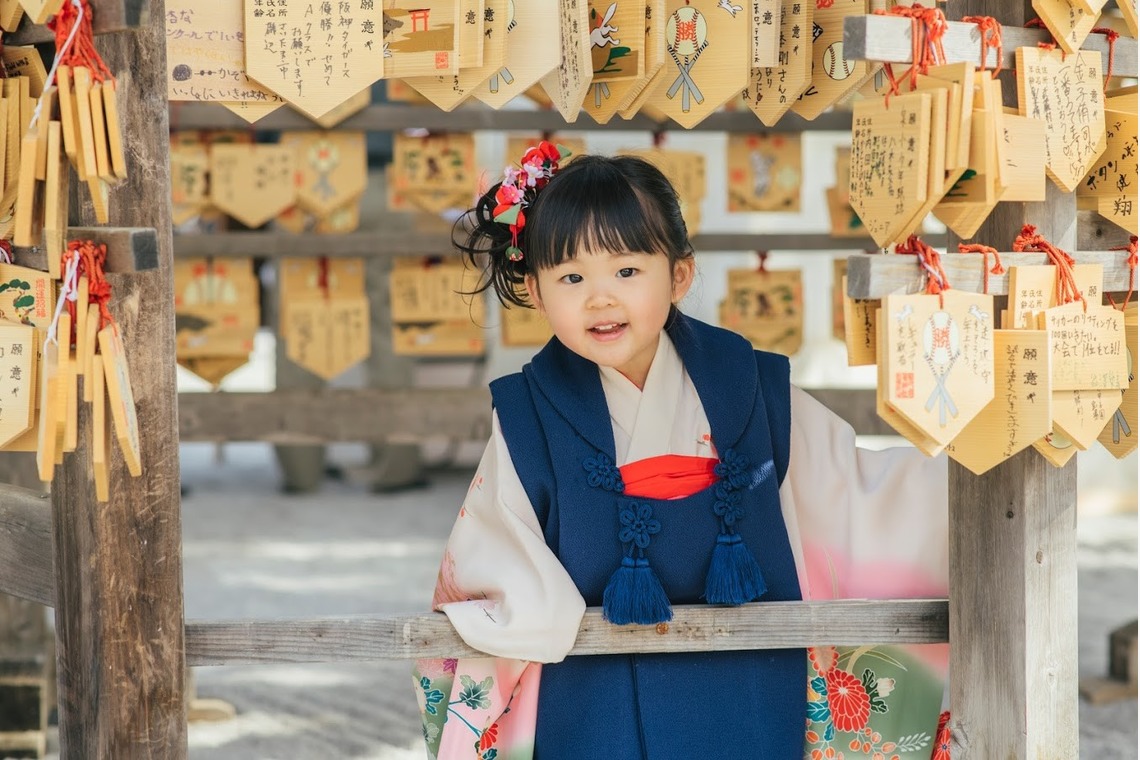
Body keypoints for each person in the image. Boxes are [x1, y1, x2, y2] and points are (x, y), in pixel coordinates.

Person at [413, 144, 950, 760]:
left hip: (748, 691)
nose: (599, 298)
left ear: (679, 276)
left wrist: (960, 484)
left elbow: (858, 499)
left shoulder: (747, 385)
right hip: (591, 700)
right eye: (570, 277)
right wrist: (526, 603)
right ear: (535, 292)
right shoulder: (526, 415)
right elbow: (492, 558)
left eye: (626, 271)